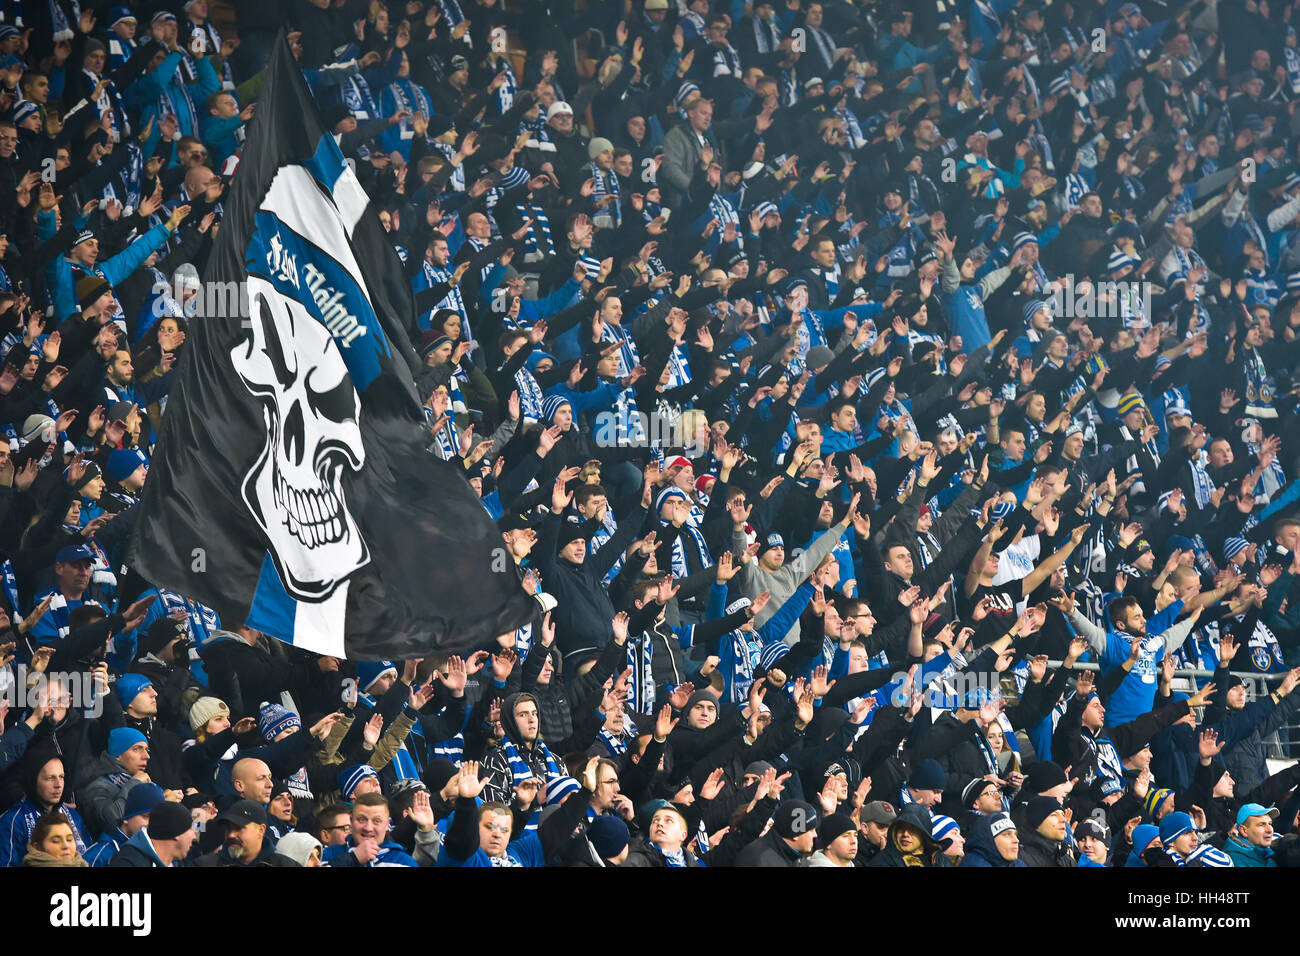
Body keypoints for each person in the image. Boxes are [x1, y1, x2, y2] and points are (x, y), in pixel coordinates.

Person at [109, 800, 200, 867]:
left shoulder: (180, 863)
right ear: (176, 833)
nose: (194, 836)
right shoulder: (127, 862)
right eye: (190, 829)